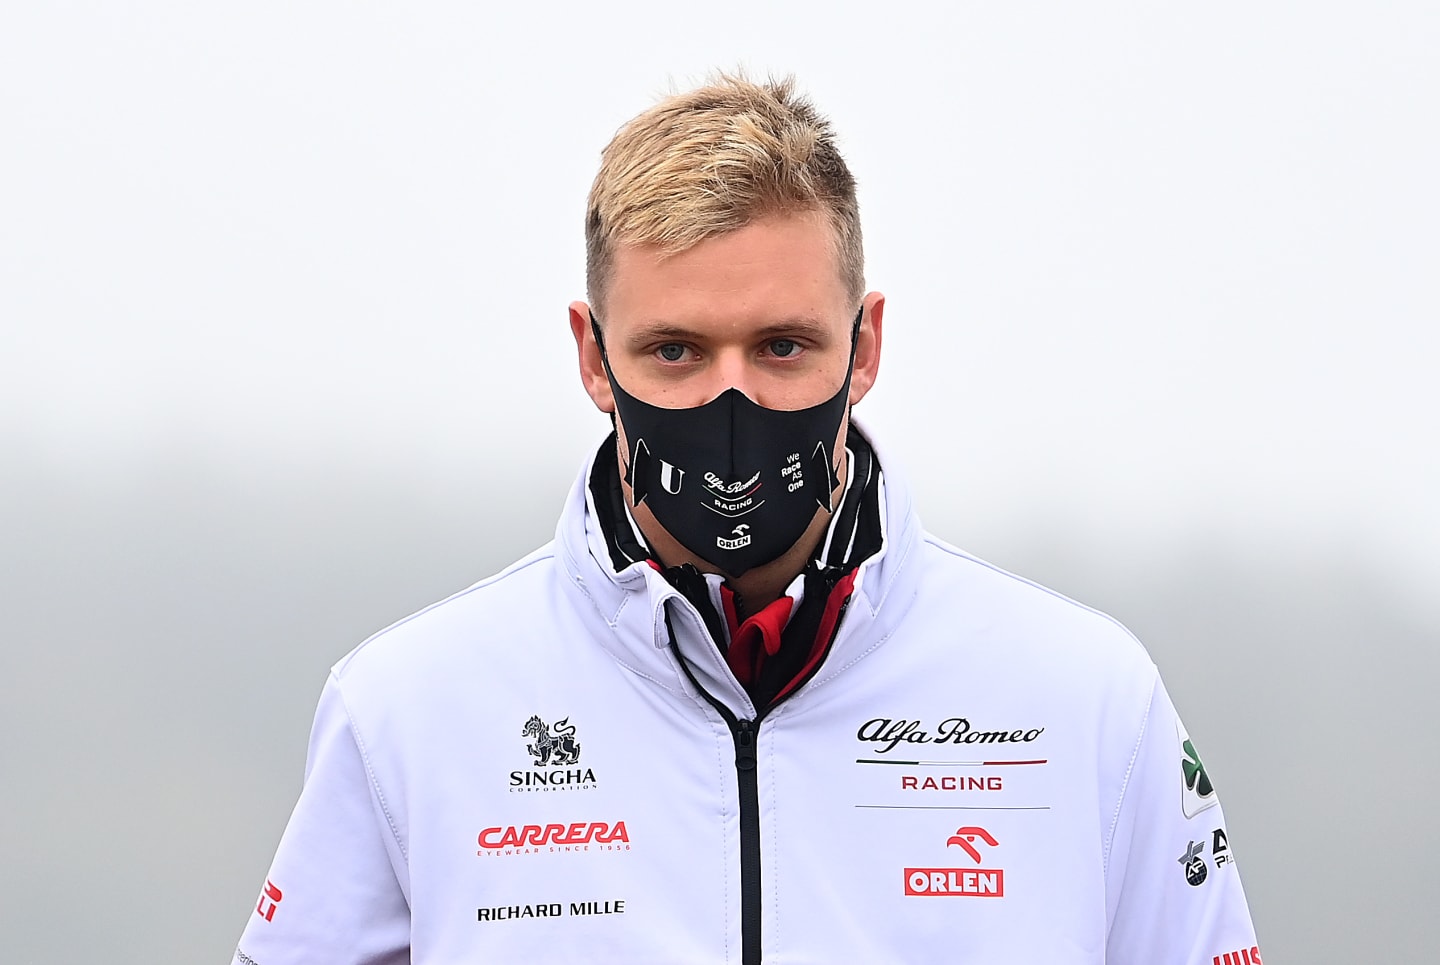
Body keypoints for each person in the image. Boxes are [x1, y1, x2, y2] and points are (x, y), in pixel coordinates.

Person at [232, 73, 1260, 965]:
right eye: (675, 351)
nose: (734, 404)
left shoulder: (1086, 699)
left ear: (864, 346)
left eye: (781, 346)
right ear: (594, 356)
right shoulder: (409, 706)